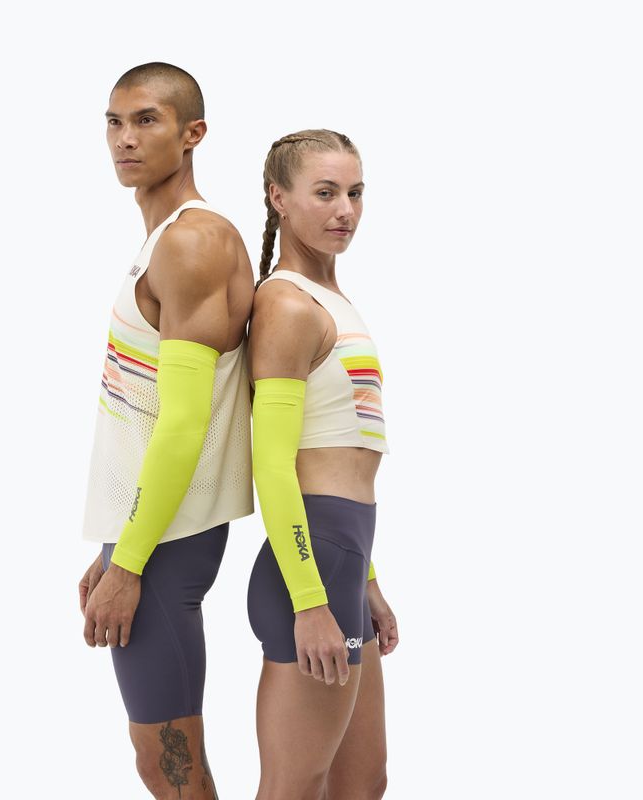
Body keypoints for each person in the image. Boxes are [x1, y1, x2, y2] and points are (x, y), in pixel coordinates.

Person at [78, 62, 254, 799]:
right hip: (149, 532)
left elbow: (184, 424)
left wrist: (129, 563)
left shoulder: (191, 242)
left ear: (193, 134)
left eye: (146, 120)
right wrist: (114, 543)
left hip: (167, 541)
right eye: (114, 122)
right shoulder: (165, 242)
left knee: (169, 764)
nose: (125, 138)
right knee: (162, 759)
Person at [247, 129, 399, 799]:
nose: (345, 210)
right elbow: (274, 465)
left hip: (343, 559)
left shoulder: (332, 298)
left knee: (362, 784)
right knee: (293, 787)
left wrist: (367, 580)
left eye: (355, 193)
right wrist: (311, 603)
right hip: (308, 570)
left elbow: (341, 459)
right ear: (279, 199)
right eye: (326, 193)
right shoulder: (286, 304)